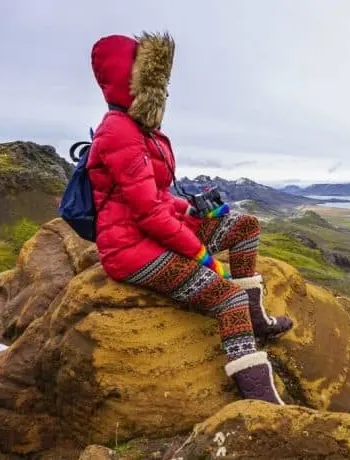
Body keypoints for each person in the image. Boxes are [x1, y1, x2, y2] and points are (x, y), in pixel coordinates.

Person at [86, 31, 293, 404]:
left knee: (245, 226)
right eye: (157, 84)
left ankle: (255, 317)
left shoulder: (141, 131)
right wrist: (202, 256)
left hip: (155, 234)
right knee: (227, 298)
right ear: (133, 81)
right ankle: (259, 395)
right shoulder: (119, 132)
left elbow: (157, 197)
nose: (164, 93)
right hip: (133, 250)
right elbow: (148, 214)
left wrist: (193, 210)